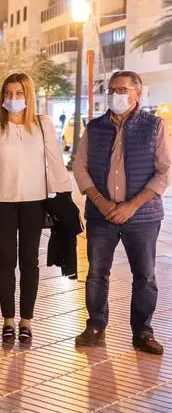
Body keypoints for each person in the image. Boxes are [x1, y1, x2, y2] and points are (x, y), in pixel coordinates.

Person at [74, 71, 170, 355]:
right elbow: (80, 167)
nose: (115, 95)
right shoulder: (94, 127)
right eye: (111, 89)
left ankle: (142, 331)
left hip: (141, 216)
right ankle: (95, 326)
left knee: (145, 276)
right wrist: (101, 202)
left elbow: (165, 171)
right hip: (100, 214)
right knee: (96, 274)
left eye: (122, 90)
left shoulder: (154, 126)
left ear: (137, 93)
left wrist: (132, 205)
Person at [0, 73, 71, 344]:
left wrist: (64, 200)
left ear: (29, 95)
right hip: (1, 203)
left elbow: (55, 161)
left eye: (19, 94)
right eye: (9, 94)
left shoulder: (42, 125)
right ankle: (7, 320)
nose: (13, 99)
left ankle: (26, 320)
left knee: (29, 261)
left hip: (33, 203)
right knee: (6, 262)